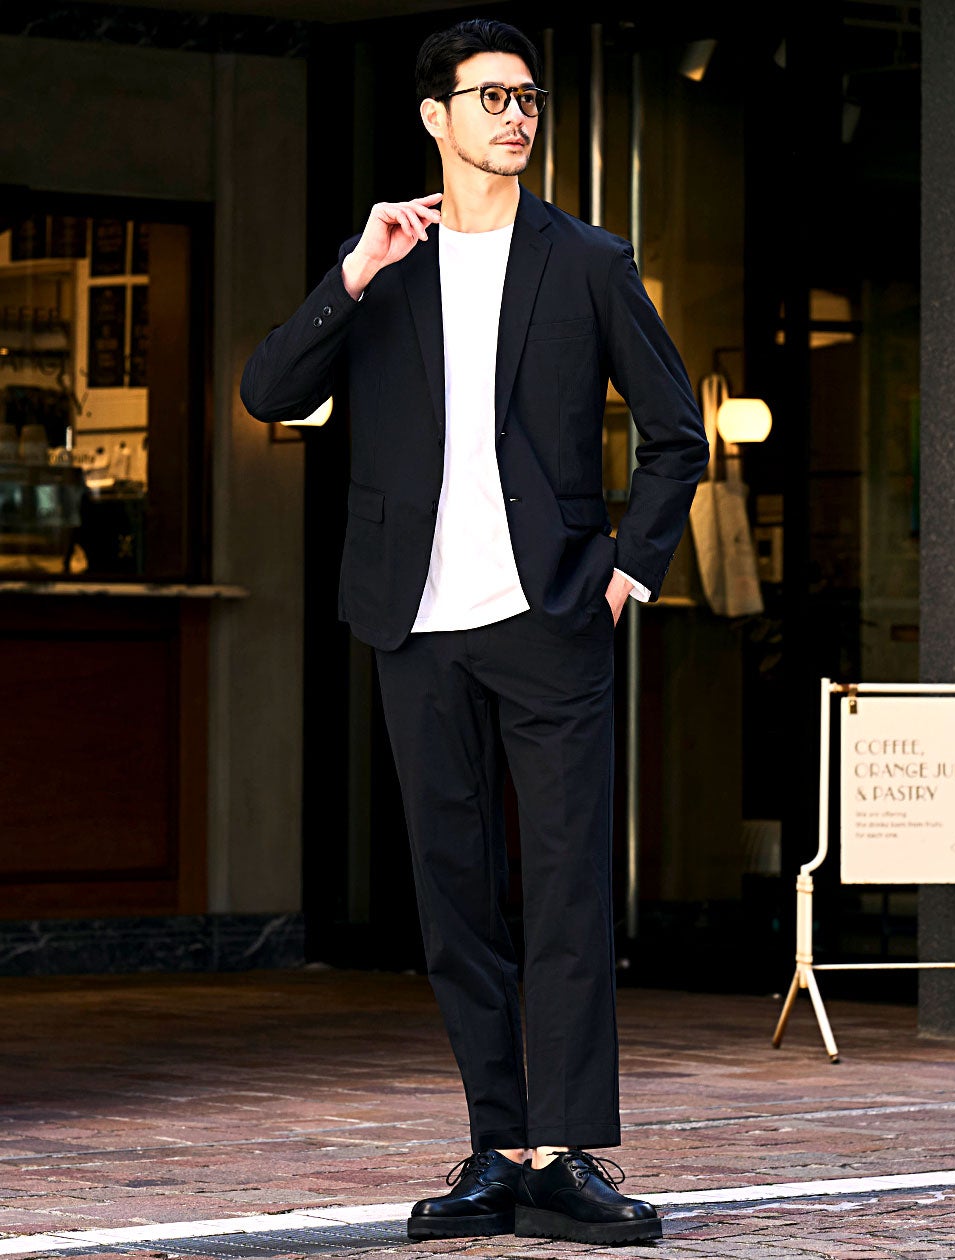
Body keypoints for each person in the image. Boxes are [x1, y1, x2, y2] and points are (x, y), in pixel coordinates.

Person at [240, 15, 707, 1246]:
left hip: (552, 618)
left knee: (565, 893)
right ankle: (497, 1146)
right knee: (454, 899)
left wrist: (628, 574)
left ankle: (564, 1153)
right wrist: (353, 272)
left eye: (527, 97)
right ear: (434, 118)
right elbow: (269, 391)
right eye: (490, 97)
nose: (515, 115)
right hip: (415, 623)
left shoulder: (589, 261)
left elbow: (677, 436)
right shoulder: (388, 263)